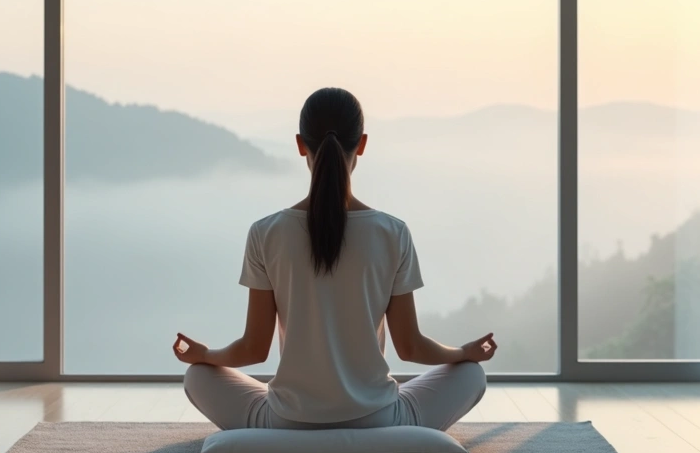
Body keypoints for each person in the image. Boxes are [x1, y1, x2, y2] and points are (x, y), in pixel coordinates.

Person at [174, 87, 496, 431]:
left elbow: (253, 349)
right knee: (471, 374)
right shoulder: (392, 232)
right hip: (380, 420)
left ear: (301, 145)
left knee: (197, 377)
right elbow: (410, 346)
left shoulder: (265, 232)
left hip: (286, 420)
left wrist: (205, 356)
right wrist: (464, 353)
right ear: (362, 144)